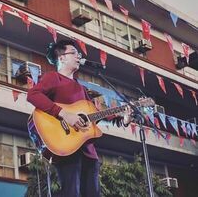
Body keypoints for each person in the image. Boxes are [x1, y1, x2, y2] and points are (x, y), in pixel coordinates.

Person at [27, 39, 131, 197]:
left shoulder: (81, 88)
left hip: (88, 151)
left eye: (79, 54)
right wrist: (64, 113)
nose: (78, 56)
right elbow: (33, 95)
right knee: (71, 193)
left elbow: (95, 114)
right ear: (61, 58)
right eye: (74, 53)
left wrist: (123, 118)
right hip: (66, 145)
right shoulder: (53, 78)